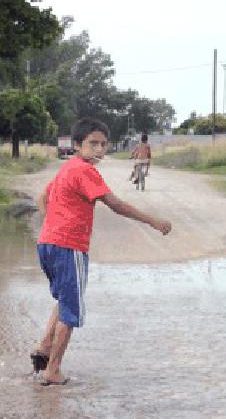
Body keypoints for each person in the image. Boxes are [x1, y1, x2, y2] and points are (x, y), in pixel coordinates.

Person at [30, 118, 172, 386]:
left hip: (47, 244)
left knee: (63, 297)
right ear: (77, 145)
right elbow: (114, 203)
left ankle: (44, 347)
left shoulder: (67, 169)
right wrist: (153, 221)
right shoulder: (85, 170)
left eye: (103, 144)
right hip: (69, 246)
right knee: (71, 308)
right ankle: (53, 371)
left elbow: (42, 198)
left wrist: (52, 224)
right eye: (93, 143)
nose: (99, 149)